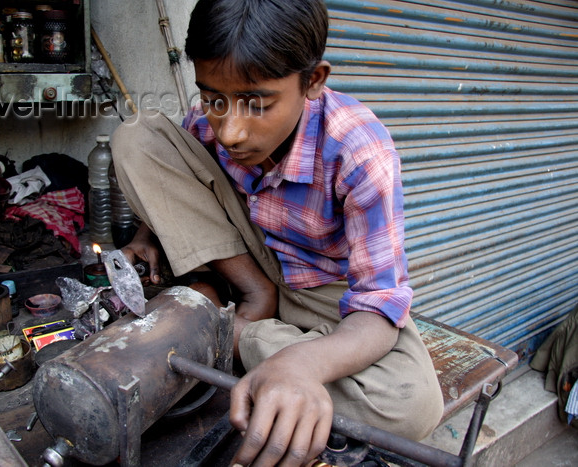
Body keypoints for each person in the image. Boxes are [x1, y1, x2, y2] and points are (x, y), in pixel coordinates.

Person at [111, 0, 444, 465]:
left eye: (257, 104)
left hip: (324, 286)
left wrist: (303, 364)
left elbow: (376, 306)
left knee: (411, 405)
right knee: (137, 134)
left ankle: (232, 333)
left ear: (314, 81)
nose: (229, 131)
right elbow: (176, 169)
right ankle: (255, 302)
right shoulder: (217, 121)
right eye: (212, 99)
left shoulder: (360, 151)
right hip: (248, 259)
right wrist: (149, 230)